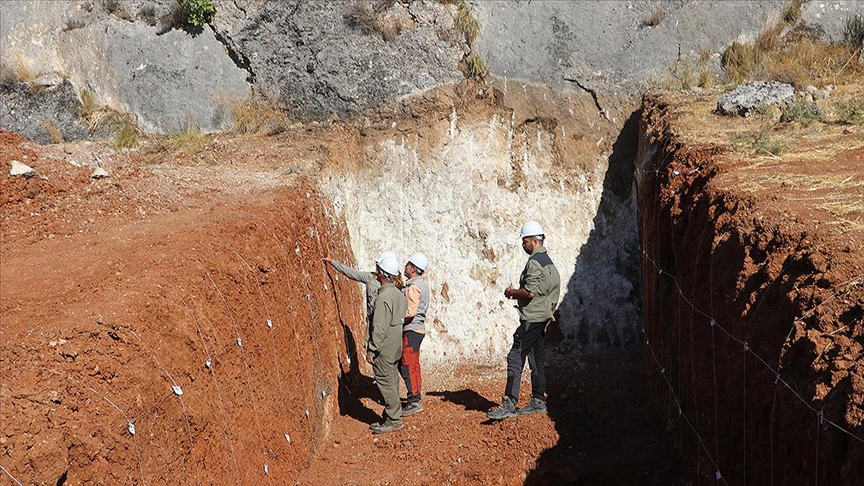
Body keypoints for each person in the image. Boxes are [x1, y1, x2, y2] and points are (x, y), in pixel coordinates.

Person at [487, 221, 560, 420]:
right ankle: (538, 400)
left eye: (525, 241)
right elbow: (553, 293)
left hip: (532, 319)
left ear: (535, 241)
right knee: (537, 360)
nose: (523, 245)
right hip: (542, 318)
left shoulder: (535, 262)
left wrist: (512, 292)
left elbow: (530, 292)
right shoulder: (549, 263)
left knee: (515, 356)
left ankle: (509, 403)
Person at [366, 255, 409, 434]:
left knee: (385, 382)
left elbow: (380, 327)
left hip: (383, 348)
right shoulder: (399, 295)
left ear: (381, 273)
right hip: (395, 346)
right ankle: (394, 414)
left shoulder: (383, 297)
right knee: (392, 381)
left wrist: (372, 349)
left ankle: (393, 419)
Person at [324, 251, 395, 351]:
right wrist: (333, 262)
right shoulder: (371, 277)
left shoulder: (394, 287)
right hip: (374, 322)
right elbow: (352, 273)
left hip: (383, 324)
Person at [400, 252, 429, 416]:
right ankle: (415, 396)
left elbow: (410, 312)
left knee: (408, 365)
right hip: (418, 330)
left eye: (407, 264)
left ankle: (414, 401)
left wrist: (395, 318)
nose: (405, 266)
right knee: (413, 364)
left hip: (411, 330)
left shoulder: (413, 287)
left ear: (413, 269)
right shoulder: (421, 284)